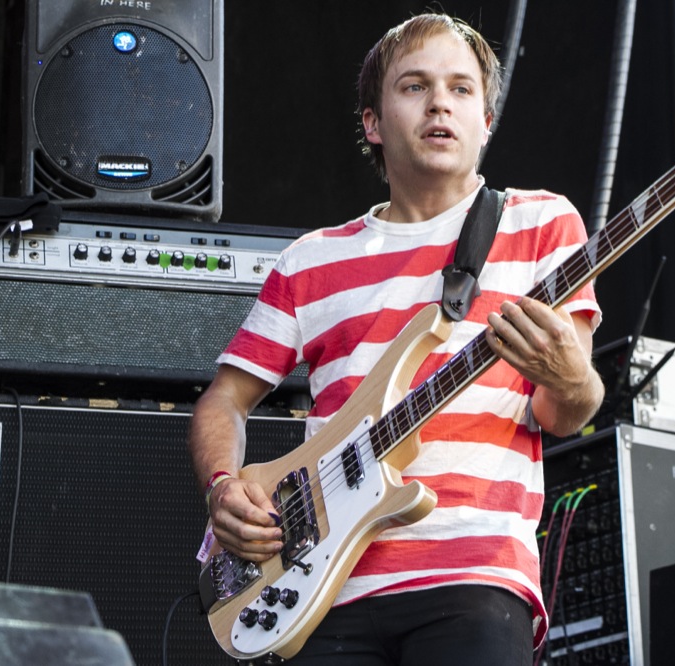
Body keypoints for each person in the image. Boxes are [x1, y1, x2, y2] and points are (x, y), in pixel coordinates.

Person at [188, 13, 604, 665]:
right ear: (373, 123)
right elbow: (223, 402)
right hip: (321, 590)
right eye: (415, 86)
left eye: (462, 89)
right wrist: (223, 488)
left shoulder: (543, 224)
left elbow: (561, 413)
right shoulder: (309, 260)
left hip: (474, 575)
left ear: (486, 121)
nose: (441, 101)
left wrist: (572, 376)